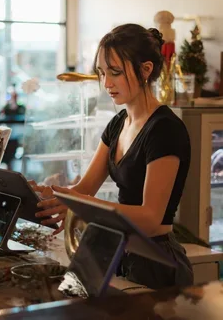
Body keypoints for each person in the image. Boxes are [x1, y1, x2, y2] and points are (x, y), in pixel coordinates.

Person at [32, 23, 194, 290]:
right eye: (102, 73)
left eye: (115, 73)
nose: (106, 83)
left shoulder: (165, 129)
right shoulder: (119, 123)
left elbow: (151, 219)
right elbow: (83, 189)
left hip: (155, 261)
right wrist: (48, 196)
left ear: (146, 70)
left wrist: (81, 203)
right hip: (114, 249)